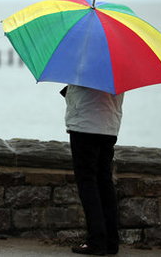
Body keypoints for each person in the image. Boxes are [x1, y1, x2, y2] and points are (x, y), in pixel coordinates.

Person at [62, 85, 124, 256]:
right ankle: (111, 241)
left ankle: (97, 240)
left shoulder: (82, 63)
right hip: (109, 127)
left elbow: (82, 98)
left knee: (87, 182)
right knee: (104, 181)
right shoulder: (116, 66)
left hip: (84, 127)